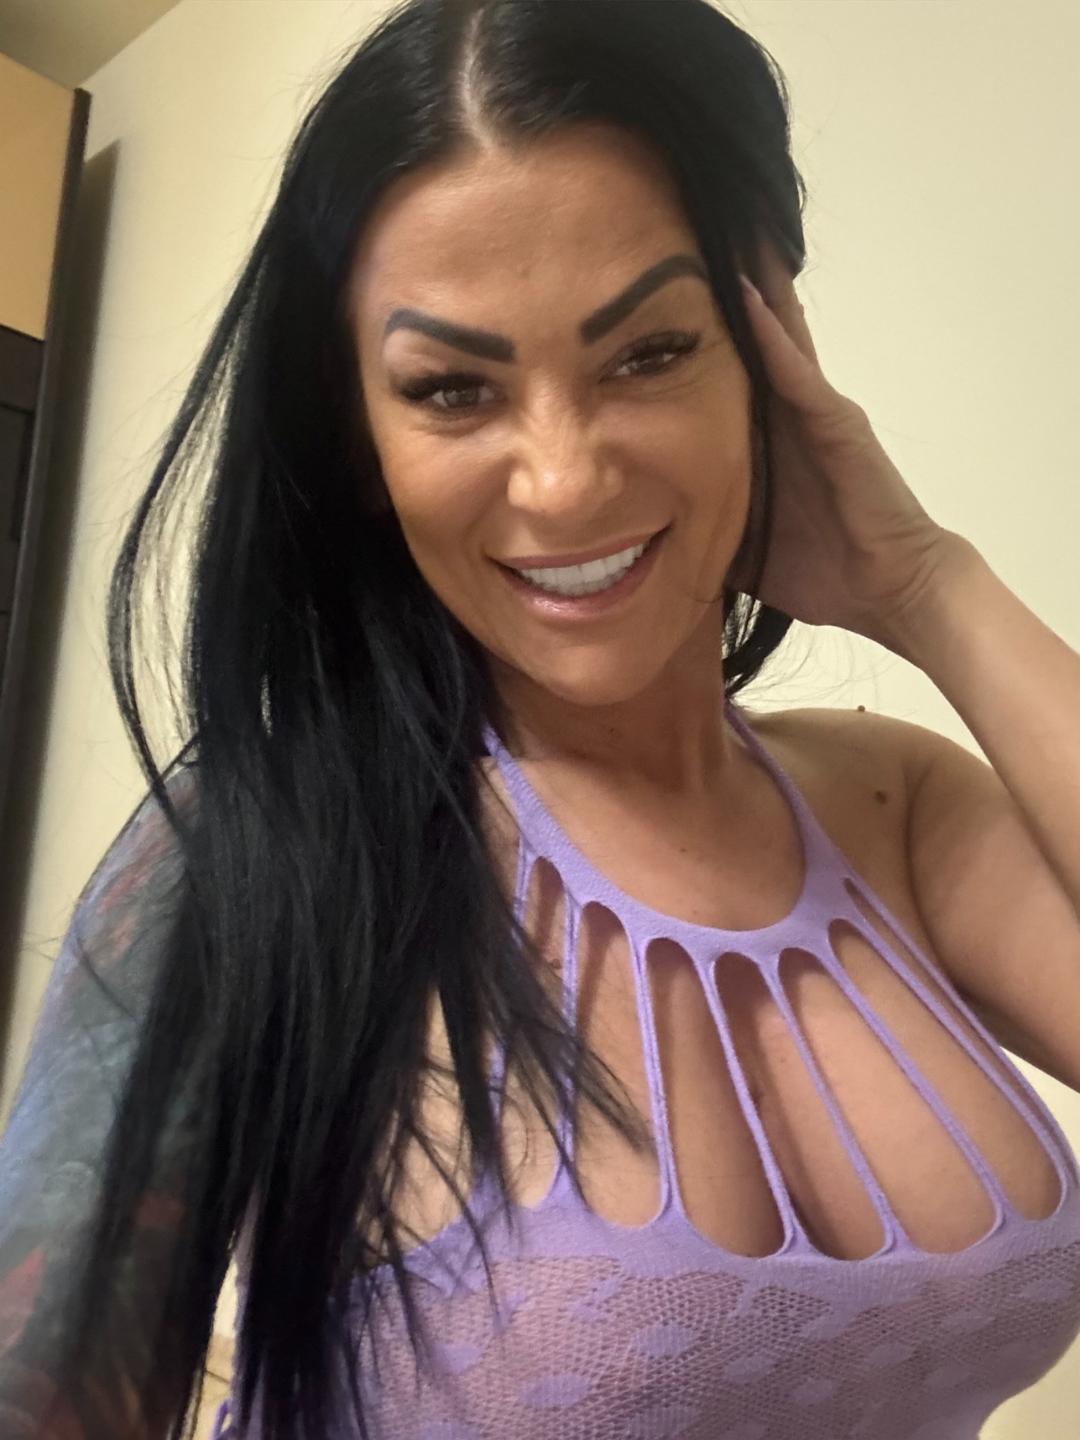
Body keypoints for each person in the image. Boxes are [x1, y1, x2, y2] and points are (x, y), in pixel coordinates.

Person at [2, 0, 1080, 1436]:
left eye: (649, 353)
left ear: (766, 352)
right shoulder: (252, 854)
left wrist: (928, 584)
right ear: (361, 440)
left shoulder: (895, 805)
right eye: (453, 389)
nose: (563, 483)